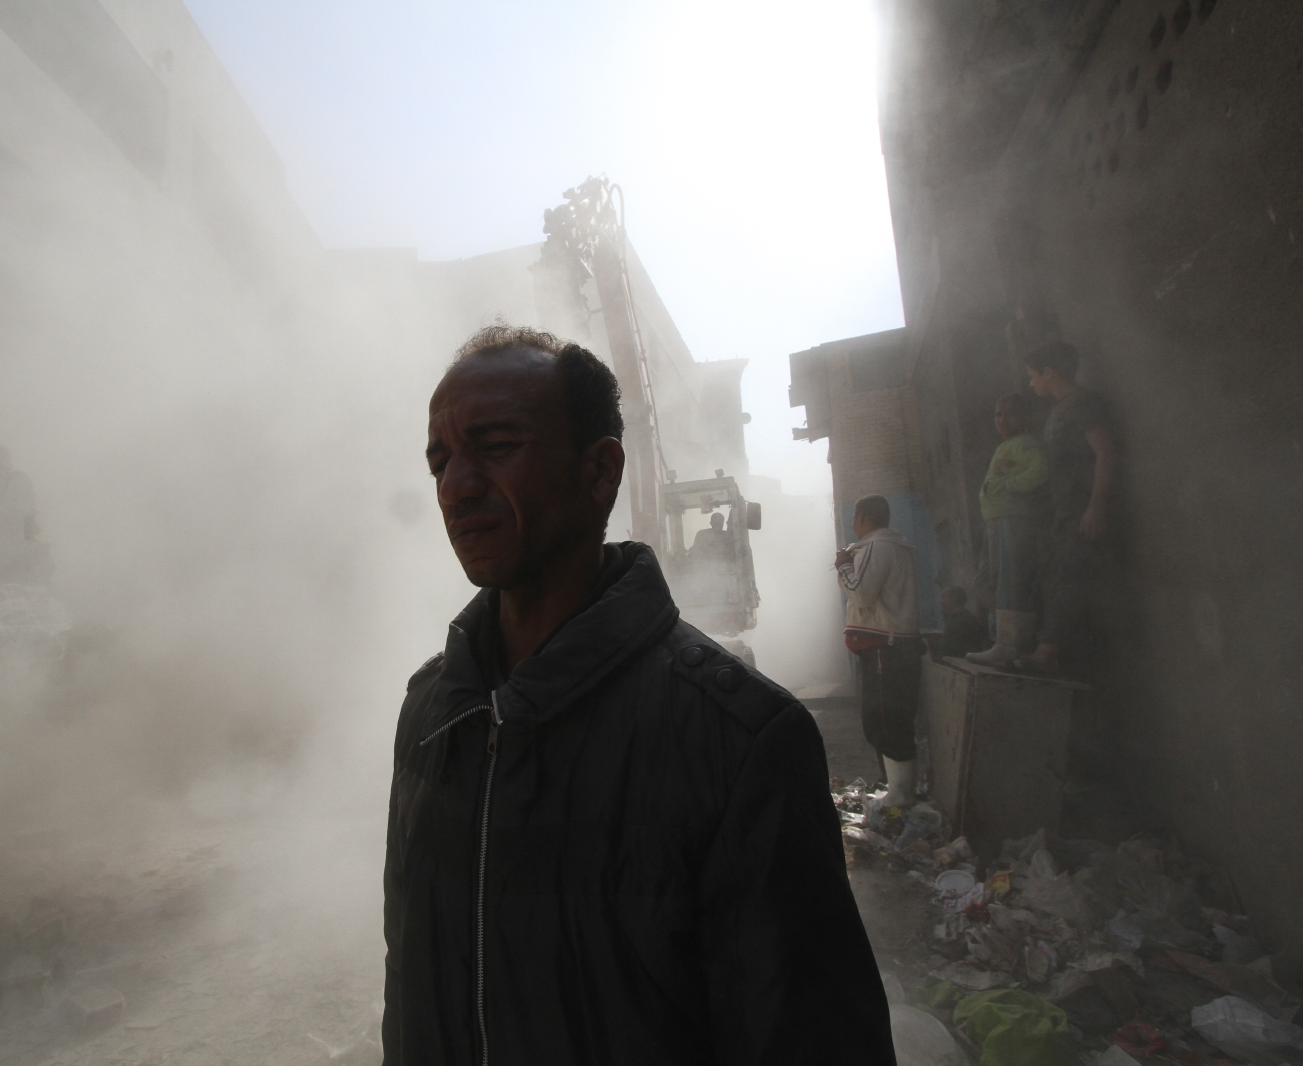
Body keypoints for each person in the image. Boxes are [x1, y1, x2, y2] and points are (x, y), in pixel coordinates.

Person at [385, 325, 894, 1065]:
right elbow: (408, 987)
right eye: (441, 460)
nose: (457, 486)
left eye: (495, 447)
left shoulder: (739, 740)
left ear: (600, 471)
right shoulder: (431, 715)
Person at [1018, 340, 1118, 675]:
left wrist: (1096, 506)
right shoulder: (1059, 409)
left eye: (1033, 375)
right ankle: (1057, 654)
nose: (1031, 382)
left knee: (1073, 579)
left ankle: (1048, 652)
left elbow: (1105, 453)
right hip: (1068, 511)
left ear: (1049, 372)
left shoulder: (1084, 404)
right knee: (1059, 578)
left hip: (1085, 508)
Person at [835, 495, 923, 807]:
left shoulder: (877, 546)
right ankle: (895, 787)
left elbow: (860, 592)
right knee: (888, 720)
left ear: (863, 518)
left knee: (885, 722)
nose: (853, 524)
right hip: (891, 647)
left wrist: (844, 566)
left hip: (886, 648)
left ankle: (901, 795)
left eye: (855, 518)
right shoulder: (892, 546)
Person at [966, 393, 1049, 666]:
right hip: (995, 521)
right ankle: (1014, 633)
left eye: (1009, 414)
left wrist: (1007, 485)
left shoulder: (1025, 443)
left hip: (1012, 519)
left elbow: (1040, 472)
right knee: (985, 583)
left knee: (1009, 582)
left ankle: (1011, 645)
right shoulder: (1006, 446)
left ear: (1025, 416)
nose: (1002, 420)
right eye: (998, 414)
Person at [933, 585, 990, 662]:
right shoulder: (954, 619)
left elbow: (970, 651)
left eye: (944, 597)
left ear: (954, 599)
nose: (941, 601)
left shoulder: (968, 621)